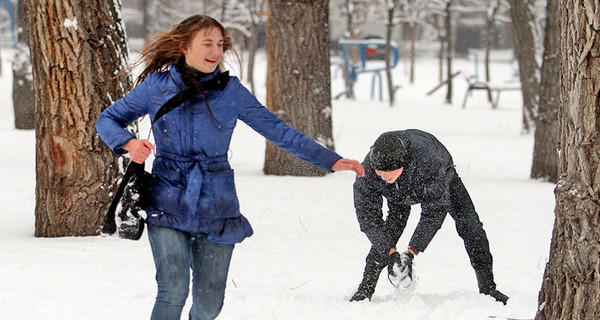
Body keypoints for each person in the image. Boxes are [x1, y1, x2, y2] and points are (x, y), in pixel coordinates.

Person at [95, 15, 365, 320]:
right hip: (167, 198)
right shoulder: (155, 87)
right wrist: (129, 143)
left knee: (209, 303)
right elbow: (107, 119)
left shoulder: (231, 92)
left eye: (220, 44)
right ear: (184, 47)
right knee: (172, 289)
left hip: (216, 202)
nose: (215, 51)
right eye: (207, 43)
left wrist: (329, 159)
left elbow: (277, 130)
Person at [350, 129, 508, 304]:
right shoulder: (367, 173)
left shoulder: (431, 162)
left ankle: (488, 288)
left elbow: (433, 213)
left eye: (390, 174)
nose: (385, 178)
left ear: (403, 165)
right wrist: (390, 252)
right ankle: (365, 289)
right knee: (389, 232)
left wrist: (412, 252)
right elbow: (369, 219)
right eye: (381, 175)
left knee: (471, 227)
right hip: (398, 195)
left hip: (440, 181)